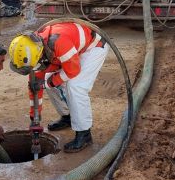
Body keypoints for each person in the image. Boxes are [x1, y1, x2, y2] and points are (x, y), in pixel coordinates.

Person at [8, 22, 109, 153]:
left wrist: (47, 83)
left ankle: (84, 134)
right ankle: (68, 116)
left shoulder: (59, 42)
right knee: (46, 80)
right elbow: (35, 88)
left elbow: (72, 71)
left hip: (93, 48)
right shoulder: (34, 49)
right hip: (72, 50)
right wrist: (34, 119)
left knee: (76, 86)